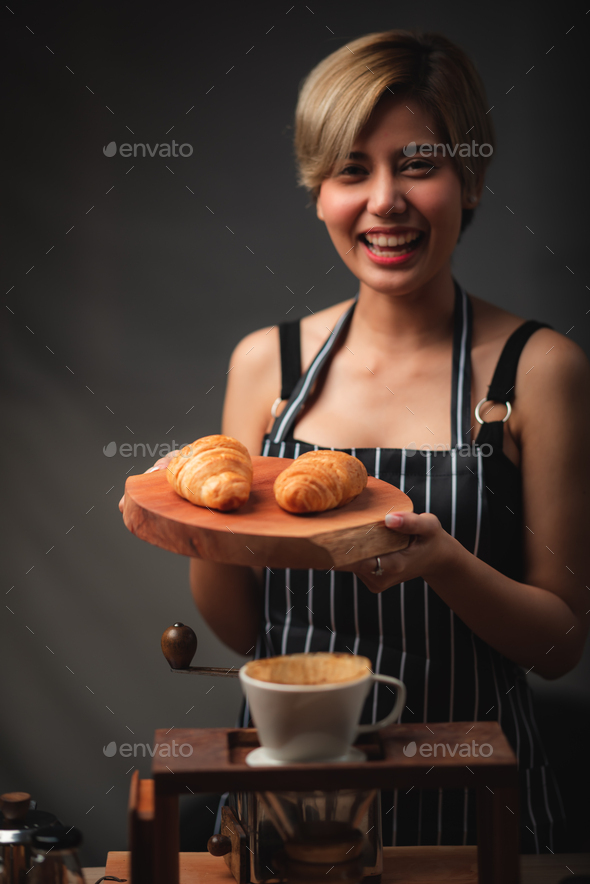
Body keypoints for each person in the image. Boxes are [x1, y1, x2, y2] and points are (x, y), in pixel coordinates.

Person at [139, 30, 590, 851]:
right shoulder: (265, 364)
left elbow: (562, 644)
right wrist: (201, 517)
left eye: (418, 164)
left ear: (471, 178)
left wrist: (444, 562)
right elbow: (246, 632)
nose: (385, 200)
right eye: (352, 169)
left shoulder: (540, 369)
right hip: (288, 802)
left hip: (474, 812)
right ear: (318, 191)